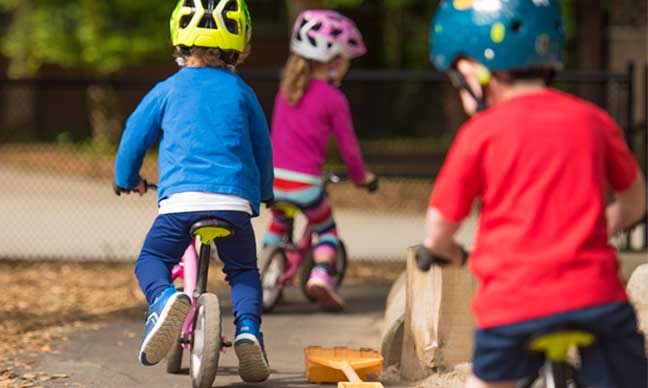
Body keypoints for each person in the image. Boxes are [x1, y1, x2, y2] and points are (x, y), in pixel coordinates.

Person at [423, 1, 647, 387]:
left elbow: (439, 230)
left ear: (473, 71)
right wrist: (598, 228)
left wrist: (446, 252)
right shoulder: (594, 120)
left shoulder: (479, 134)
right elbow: (635, 202)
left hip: (512, 307)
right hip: (596, 300)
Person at [113, 0, 272, 382]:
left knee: (150, 260)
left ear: (178, 40)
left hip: (180, 204)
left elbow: (134, 136)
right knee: (244, 271)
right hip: (233, 204)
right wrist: (265, 191)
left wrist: (126, 178)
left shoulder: (167, 89)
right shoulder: (242, 92)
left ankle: (165, 299)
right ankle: (249, 330)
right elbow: (262, 146)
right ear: (240, 44)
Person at [263, 10, 377, 312]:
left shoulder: (286, 92)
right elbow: (349, 149)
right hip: (306, 184)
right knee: (326, 229)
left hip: (274, 179)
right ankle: (321, 274)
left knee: (279, 219)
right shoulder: (333, 99)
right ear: (335, 61)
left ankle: (267, 272)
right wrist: (360, 176)